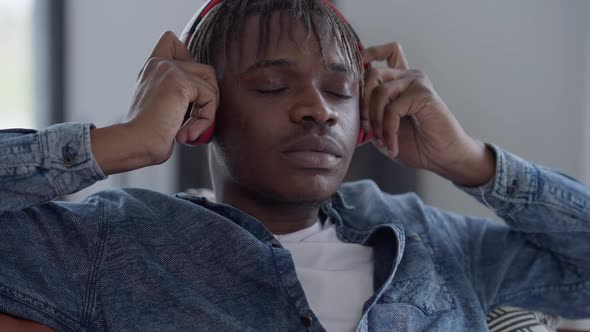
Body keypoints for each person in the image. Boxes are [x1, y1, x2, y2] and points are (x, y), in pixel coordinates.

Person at [0, 0, 588, 331]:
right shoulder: (115, 242)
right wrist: (119, 143)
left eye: (338, 91)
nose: (317, 111)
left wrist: (470, 162)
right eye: (274, 86)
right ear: (201, 113)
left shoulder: (430, 237)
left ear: (362, 121)